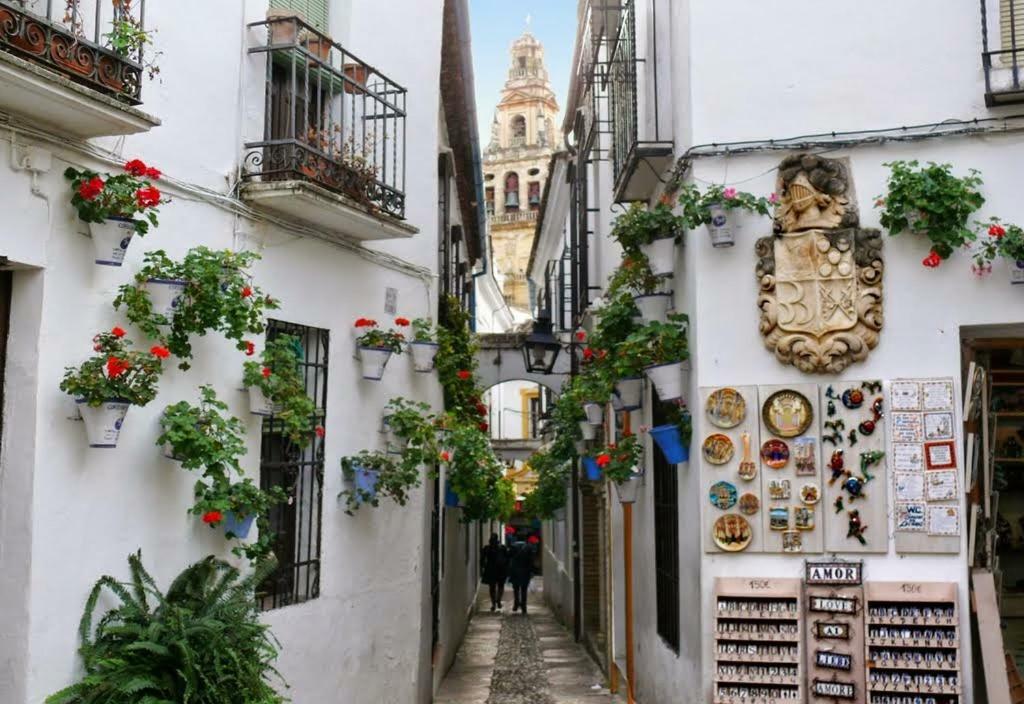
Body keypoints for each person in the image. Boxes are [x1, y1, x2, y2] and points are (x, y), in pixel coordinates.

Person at [480, 533, 508, 612]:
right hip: (501, 570)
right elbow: (507, 558)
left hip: (491, 570)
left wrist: (483, 568)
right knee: (500, 586)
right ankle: (498, 599)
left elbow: (482, 560)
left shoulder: (487, 548)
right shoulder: (502, 548)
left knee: (492, 588)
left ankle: (493, 604)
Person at [508, 540, 535, 614]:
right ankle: (524, 607)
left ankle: (516, 604)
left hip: (515, 571)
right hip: (525, 571)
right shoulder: (529, 547)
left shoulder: (513, 547)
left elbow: (509, 557)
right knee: (524, 589)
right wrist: (531, 571)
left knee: (516, 589)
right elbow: (531, 560)